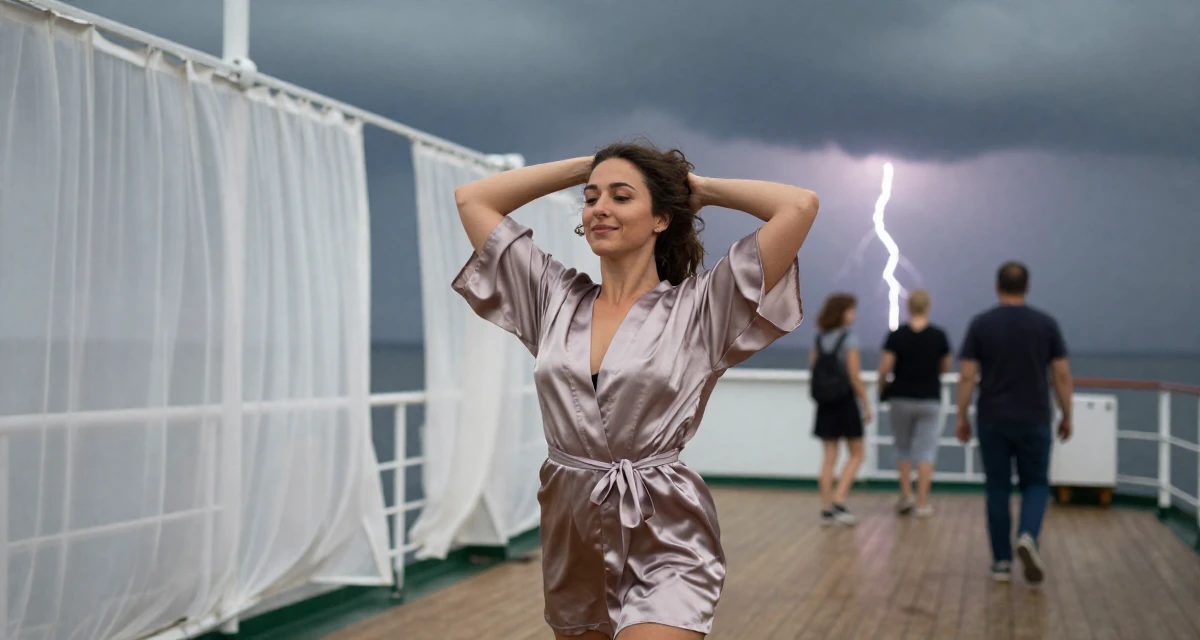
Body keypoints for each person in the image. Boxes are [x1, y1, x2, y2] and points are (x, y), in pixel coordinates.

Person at [453, 142, 817, 639]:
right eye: (591, 197)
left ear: (661, 219)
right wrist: (591, 166)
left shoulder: (703, 306)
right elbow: (473, 199)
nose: (600, 207)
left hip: (665, 529)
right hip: (571, 527)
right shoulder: (552, 299)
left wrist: (697, 189)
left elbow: (798, 206)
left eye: (622, 197)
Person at [955, 262, 1073, 585]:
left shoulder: (980, 325)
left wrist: (961, 415)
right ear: (1027, 287)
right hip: (1034, 417)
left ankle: (1001, 563)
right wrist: (1067, 414)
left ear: (997, 286)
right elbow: (1061, 374)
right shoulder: (1046, 324)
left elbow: (967, 375)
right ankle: (1028, 536)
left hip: (992, 418)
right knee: (1035, 484)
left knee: (997, 488)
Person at [878, 289, 951, 518]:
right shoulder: (939, 336)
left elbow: (885, 368)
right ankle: (922, 503)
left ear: (908, 307)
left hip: (900, 397)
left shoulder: (897, 335)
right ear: (928, 307)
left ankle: (906, 496)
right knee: (926, 451)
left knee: (903, 448)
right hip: (929, 397)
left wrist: (883, 389)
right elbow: (946, 367)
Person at [809, 293, 871, 527]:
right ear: (843, 312)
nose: (854, 315)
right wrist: (865, 404)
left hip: (825, 404)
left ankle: (826, 509)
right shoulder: (849, 339)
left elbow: (814, 369)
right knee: (857, 453)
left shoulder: (819, 338)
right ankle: (839, 500)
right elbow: (854, 376)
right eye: (851, 310)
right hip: (844, 402)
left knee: (829, 457)